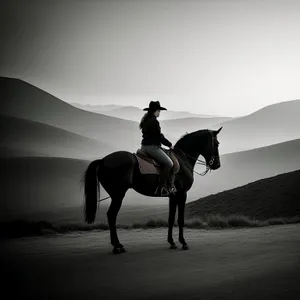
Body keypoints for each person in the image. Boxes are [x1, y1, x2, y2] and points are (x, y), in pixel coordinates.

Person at [139, 101, 176, 196]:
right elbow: (159, 137)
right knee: (169, 163)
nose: (159, 112)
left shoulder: (147, 120)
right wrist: (170, 145)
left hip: (144, 147)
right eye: (159, 110)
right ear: (155, 111)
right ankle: (162, 187)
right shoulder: (154, 121)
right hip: (152, 148)